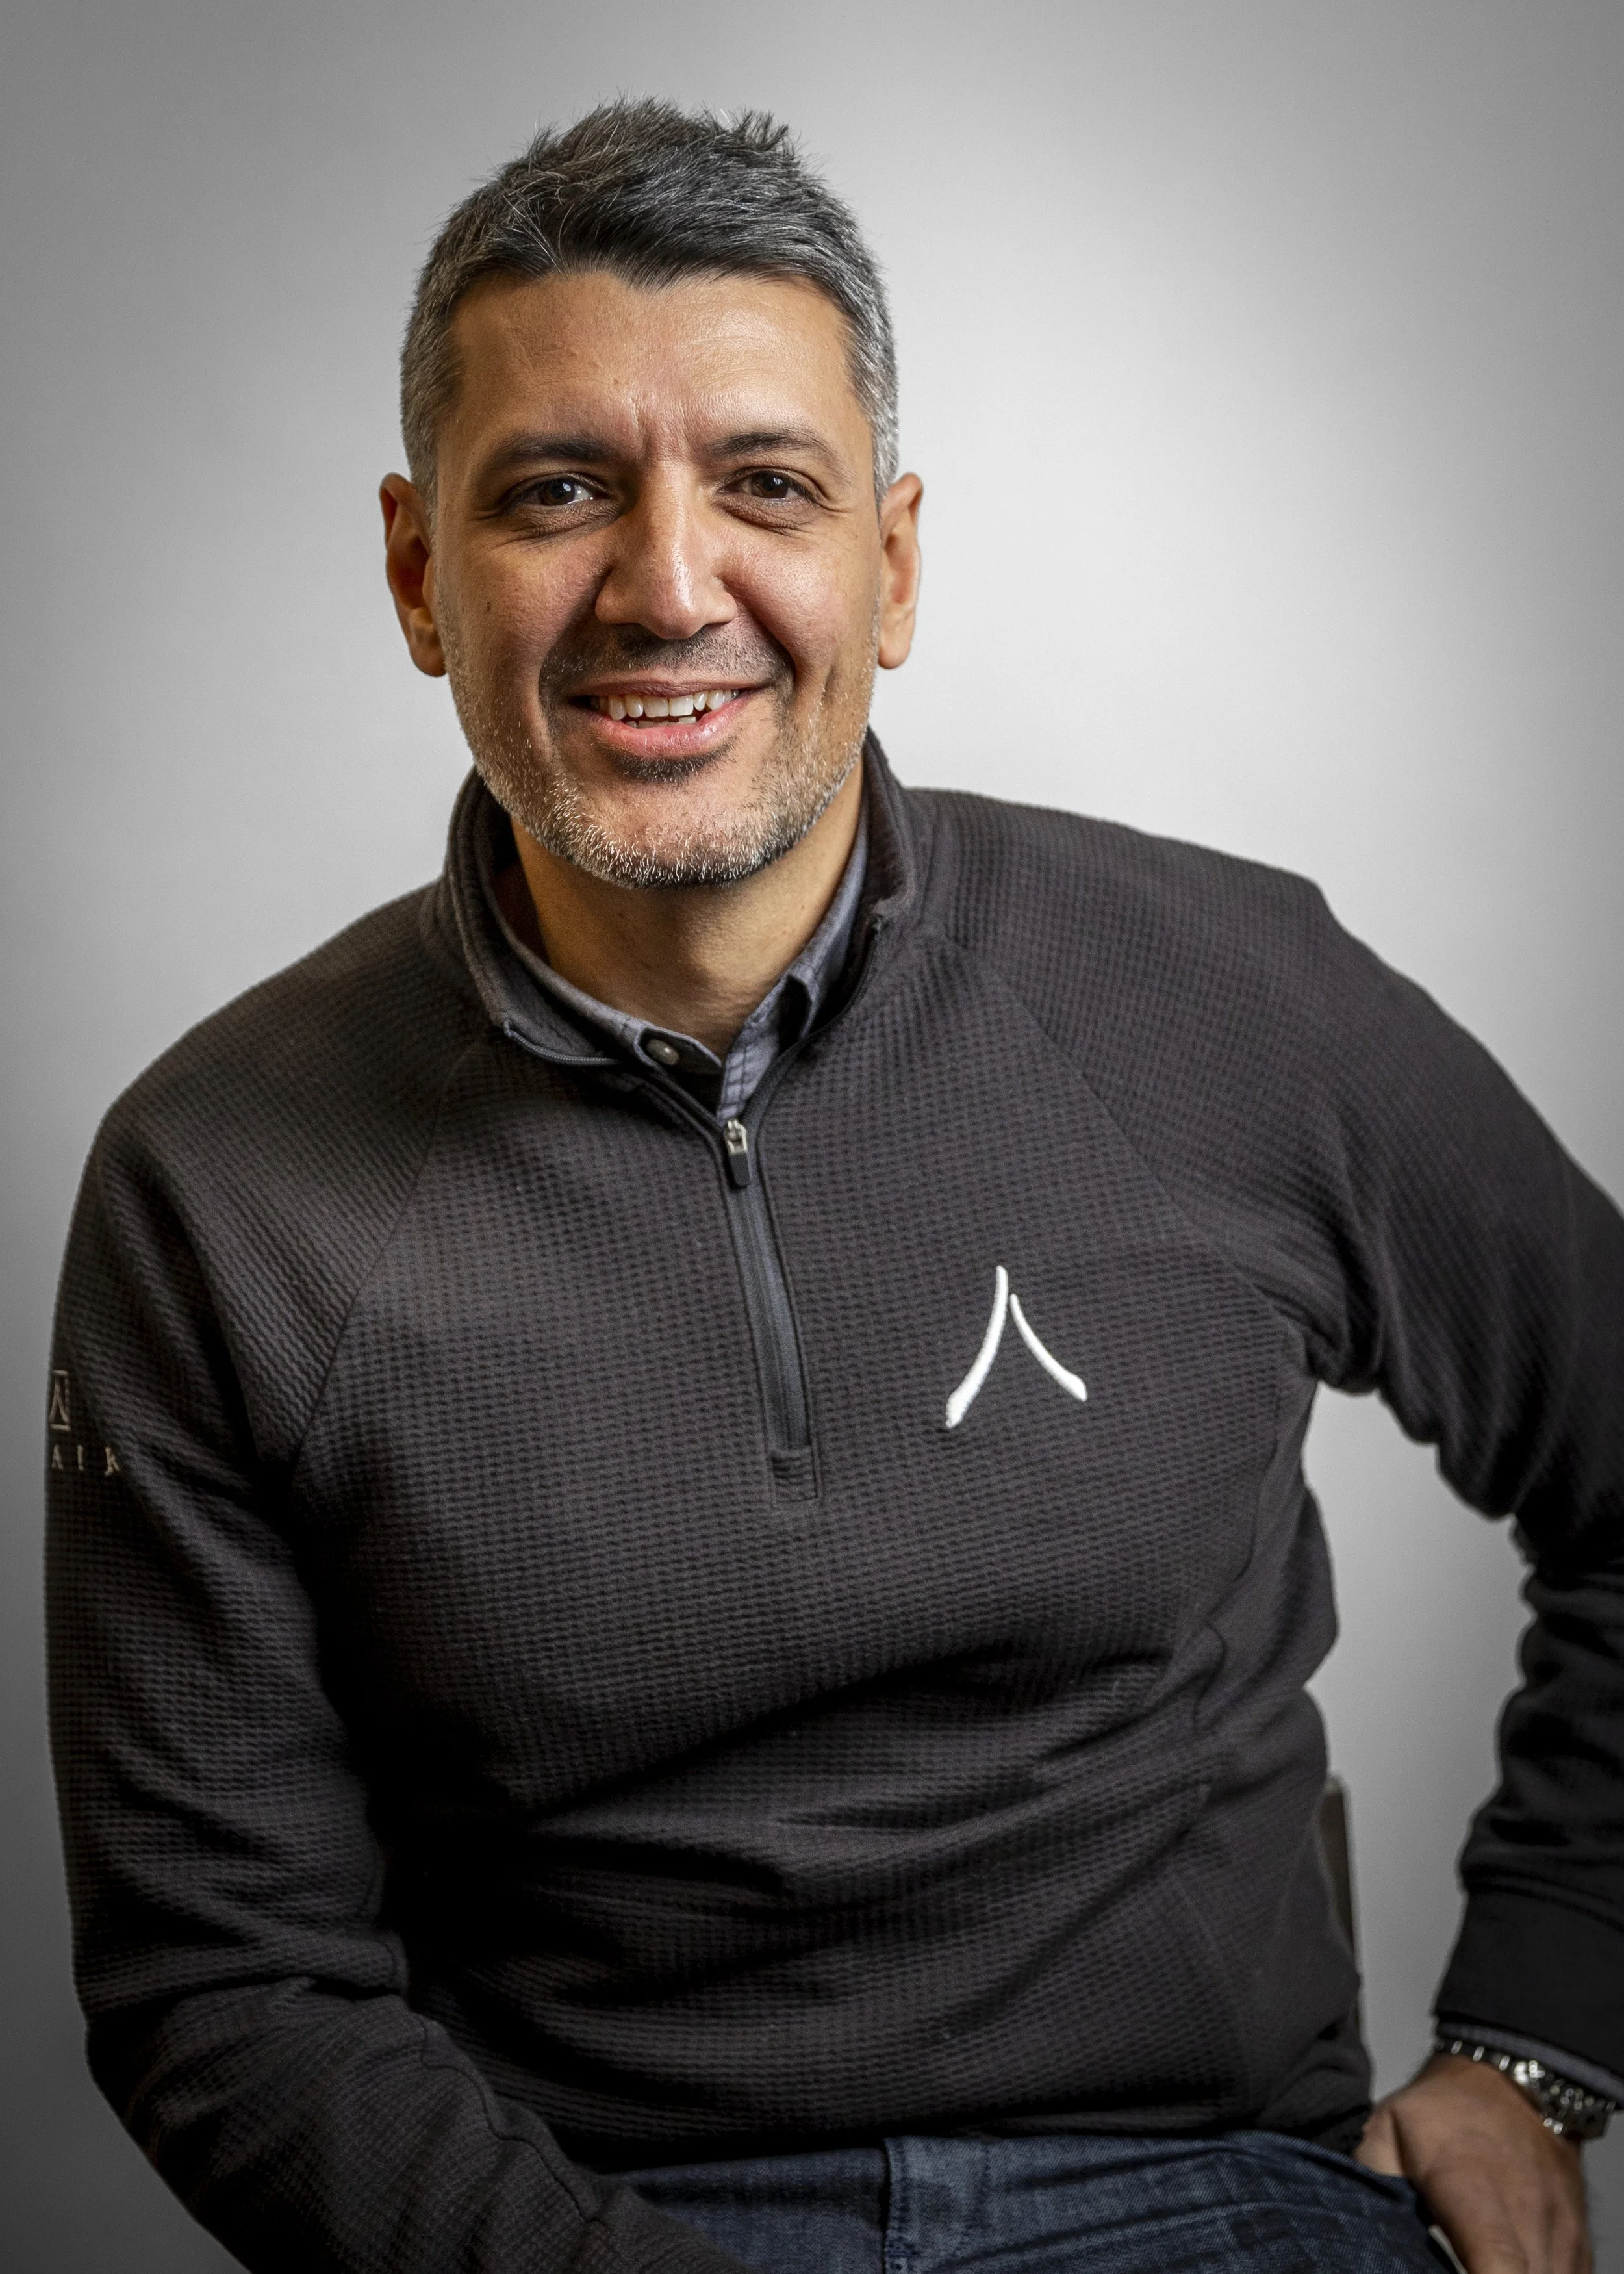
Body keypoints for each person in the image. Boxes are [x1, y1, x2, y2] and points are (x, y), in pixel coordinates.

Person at [45, 100, 1622, 2274]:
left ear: (894, 560)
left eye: (765, 486)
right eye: (559, 490)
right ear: (419, 573)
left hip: (1214, 2196)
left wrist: (1541, 2035)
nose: (669, 584)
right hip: (585, 2226)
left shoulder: (1229, 998)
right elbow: (226, 1984)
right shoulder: (213, 1184)